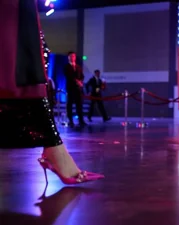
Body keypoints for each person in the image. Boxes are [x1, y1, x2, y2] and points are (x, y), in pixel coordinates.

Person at [0, 0, 104, 184]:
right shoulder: (67, 67)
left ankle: (53, 146)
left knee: (19, 36)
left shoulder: (78, 67)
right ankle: (53, 147)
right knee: (13, 37)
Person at [64, 51, 86, 127]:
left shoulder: (78, 67)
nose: (72, 58)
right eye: (71, 56)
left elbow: (82, 76)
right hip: (70, 88)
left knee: (79, 105)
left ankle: (81, 120)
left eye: (73, 56)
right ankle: (70, 120)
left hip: (78, 89)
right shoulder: (66, 67)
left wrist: (80, 81)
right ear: (68, 57)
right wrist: (76, 81)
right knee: (69, 105)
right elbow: (69, 76)